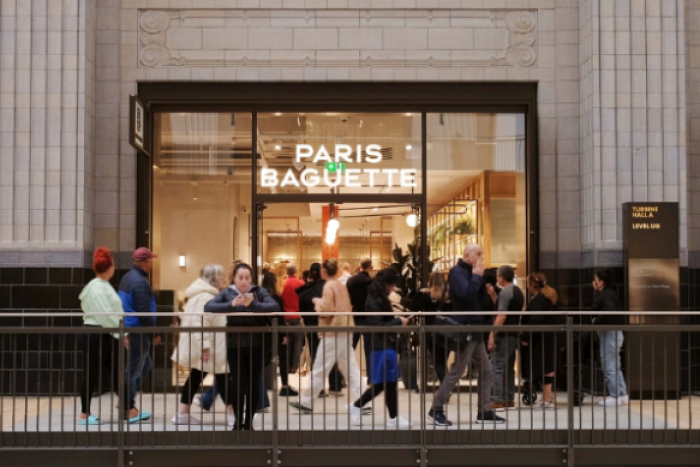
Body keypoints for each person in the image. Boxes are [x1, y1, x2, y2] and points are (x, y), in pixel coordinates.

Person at [427, 244, 504, 426]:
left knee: (485, 370)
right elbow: (466, 295)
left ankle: (484, 411)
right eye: (478, 253)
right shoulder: (457, 272)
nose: (481, 257)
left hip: (475, 329)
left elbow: (479, 302)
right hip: (466, 329)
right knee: (458, 370)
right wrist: (477, 277)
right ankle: (436, 408)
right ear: (467, 255)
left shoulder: (472, 273)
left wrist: (491, 295)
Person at [290, 258, 366, 425]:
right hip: (345, 329)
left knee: (319, 368)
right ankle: (363, 399)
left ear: (324, 271)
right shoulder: (340, 285)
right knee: (350, 367)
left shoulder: (328, 286)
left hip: (332, 332)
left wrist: (317, 303)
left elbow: (327, 310)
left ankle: (306, 402)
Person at [204, 263, 280, 431]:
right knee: (238, 383)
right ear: (234, 279)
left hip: (257, 345)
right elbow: (209, 306)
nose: (244, 281)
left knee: (253, 383)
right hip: (235, 346)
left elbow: (274, 306)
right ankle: (238, 421)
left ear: (251, 279)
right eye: (240, 278)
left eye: (247, 278)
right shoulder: (228, 292)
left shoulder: (259, 292)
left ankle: (249, 422)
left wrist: (252, 305)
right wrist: (230, 305)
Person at [171, 264, 235, 426]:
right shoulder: (206, 297)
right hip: (210, 345)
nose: (224, 279)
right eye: (221, 276)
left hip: (206, 344)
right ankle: (233, 414)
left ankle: (183, 413)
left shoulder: (201, 295)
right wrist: (205, 347)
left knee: (197, 377)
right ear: (213, 278)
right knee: (223, 376)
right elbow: (201, 322)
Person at [77, 247, 133, 425]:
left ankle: (129, 409)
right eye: (113, 265)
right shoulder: (98, 287)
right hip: (99, 333)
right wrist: (120, 332)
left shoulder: (98, 286)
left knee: (115, 372)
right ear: (108, 268)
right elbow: (106, 314)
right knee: (94, 373)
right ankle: (85, 413)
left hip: (103, 333)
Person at [352, 269, 411, 428]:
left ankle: (392, 417)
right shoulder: (374, 301)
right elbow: (378, 325)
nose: (392, 289)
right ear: (385, 283)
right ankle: (359, 407)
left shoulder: (377, 298)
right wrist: (399, 322)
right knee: (384, 384)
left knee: (388, 383)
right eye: (391, 285)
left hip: (384, 345)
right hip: (381, 346)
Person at [119, 247, 158, 423]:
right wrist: (153, 333)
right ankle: (127, 407)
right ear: (144, 261)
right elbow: (144, 311)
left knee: (144, 365)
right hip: (138, 330)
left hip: (132, 328)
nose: (152, 262)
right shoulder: (140, 282)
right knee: (134, 370)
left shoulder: (128, 277)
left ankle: (127, 402)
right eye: (150, 259)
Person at [295, 263, 341, 396]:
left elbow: (302, 311)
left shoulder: (305, 289)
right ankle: (335, 386)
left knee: (316, 356)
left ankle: (319, 389)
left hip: (311, 327)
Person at [521, 271, 560, 409]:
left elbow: (535, 320)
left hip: (540, 339)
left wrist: (526, 337)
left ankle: (547, 400)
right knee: (548, 368)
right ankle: (548, 398)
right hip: (549, 337)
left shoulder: (538, 300)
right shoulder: (549, 297)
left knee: (545, 368)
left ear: (532, 285)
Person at [487, 265, 524, 411]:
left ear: (501, 277)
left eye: (497, 276)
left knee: (495, 366)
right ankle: (509, 399)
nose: (496, 278)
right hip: (513, 334)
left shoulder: (505, 293)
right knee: (508, 366)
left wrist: (492, 333)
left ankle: (496, 400)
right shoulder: (517, 292)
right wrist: (493, 296)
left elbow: (502, 315)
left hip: (503, 335)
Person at [591, 268, 629, 407]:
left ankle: (615, 395)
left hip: (609, 334)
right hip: (615, 333)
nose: (593, 282)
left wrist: (596, 320)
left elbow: (608, 311)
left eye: (595, 280)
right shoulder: (610, 294)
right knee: (615, 365)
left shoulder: (605, 296)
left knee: (609, 365)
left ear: (601, 282)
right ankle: (622, 394)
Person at [411, 271, 451, 385]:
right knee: (444, 360)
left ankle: (445, 387)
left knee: (438, 361)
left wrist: (419, 293)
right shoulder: (449, 296)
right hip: (447, 332)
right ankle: (446, 386)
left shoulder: (428, 296)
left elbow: (414, 307)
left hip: (432, 332)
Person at [346, 258, 374, 384]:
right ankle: (371, 377)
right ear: (370, 267)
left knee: (350, 348)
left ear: (360, 266)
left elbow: (348, 300)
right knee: (369, 349)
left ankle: (345, 377)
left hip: (354, 316)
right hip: (368, 318)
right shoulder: (371, 282)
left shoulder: (351, 280)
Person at [279, 264, 305, 394]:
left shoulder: (283, 284)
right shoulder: (301, 283)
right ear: (296, 271)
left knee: (287, 342)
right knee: (298, 342)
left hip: (285, 316)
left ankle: (288, 365)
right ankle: (295, 366)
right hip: (297, 315)